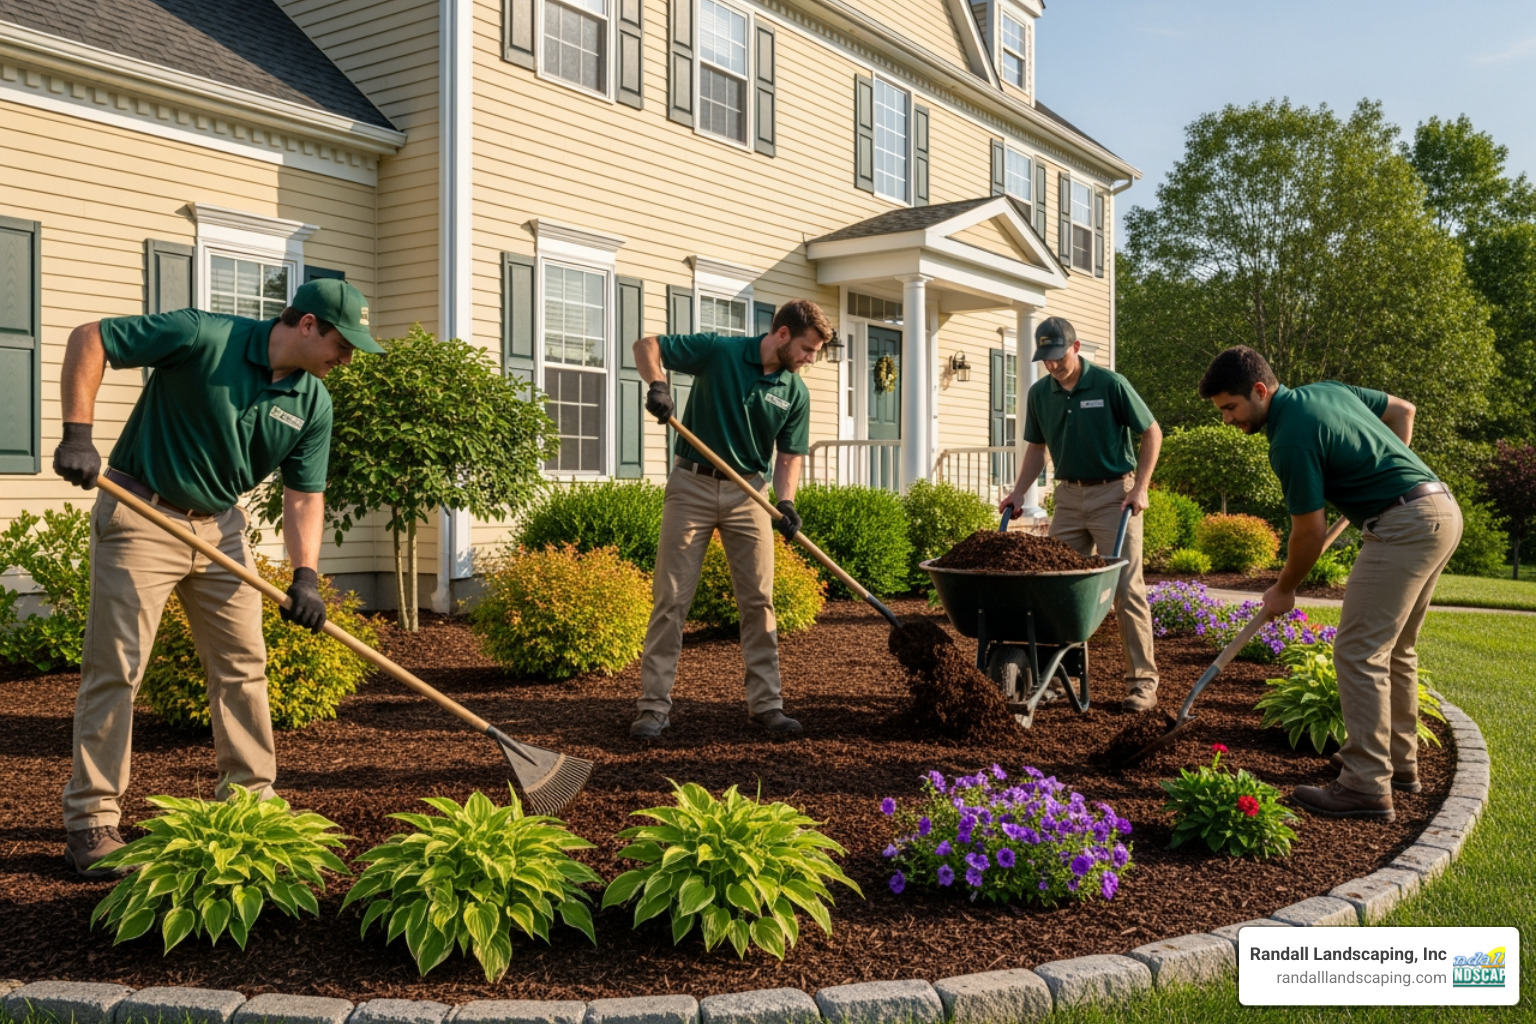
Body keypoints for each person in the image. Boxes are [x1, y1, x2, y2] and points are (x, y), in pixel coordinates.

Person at [52, 277, 383, 877]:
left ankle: (251, 798)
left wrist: (306, 575)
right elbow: (91, 338)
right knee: (117, 668)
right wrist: (79, 433)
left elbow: (305, 496)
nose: (348, 357)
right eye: (344, 342)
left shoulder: (313, 402)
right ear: (307, 324)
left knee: (243, 664)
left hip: (221, 531)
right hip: (141, 512)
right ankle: (91, 819)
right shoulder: (204, 335)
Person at [1199, 345, 1461, 822]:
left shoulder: (1289, 440)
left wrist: (1285, 588)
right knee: (1395, 650)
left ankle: (1365, 784)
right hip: (1438, 507)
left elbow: (1309, 532)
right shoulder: (1328, 392)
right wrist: (1388, 473)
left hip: (1405, 524)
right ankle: (1400, 766)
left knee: (1358, 650)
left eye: (1230, 408)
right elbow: (1404, 410)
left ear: (1260, 391)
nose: (1227, 420)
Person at [630, 300, 830, 739]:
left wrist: (787, 502)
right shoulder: (719, 351)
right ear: (782, 335)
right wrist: (658, 386)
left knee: (759, 602)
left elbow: (790, 455)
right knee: (671, 599)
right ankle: (652, 708)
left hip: (751, 494)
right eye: (807, 349)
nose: (810, 358)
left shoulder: (795, 391)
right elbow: (647, 345)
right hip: (691, 486)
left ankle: (767, 705)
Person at [998, 316, 1163, 711]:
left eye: (1057, 356)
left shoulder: (1110, 384)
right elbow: (1036, 449)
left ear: (1075, 347)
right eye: (1046, 359)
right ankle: (1052, 679)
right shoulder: (1040, 394)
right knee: (1054, 589)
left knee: (1125, 588)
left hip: (1114, 497)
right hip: (1068, 498)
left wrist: (1140, 488)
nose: (1052, 365)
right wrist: (1018, 492)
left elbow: (1152, 432)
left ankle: (1142, 683)